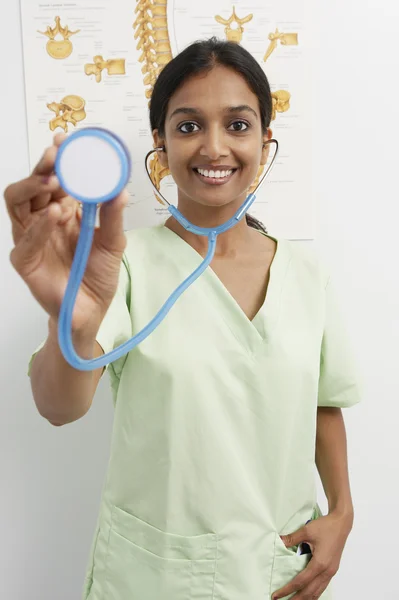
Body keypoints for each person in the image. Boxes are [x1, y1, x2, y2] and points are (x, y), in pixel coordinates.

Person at [4, 37, 360, 600]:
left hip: (283, 572)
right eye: (189, 126)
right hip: (156, 576)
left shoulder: (307, 274)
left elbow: (320, 403)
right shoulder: (119, 264)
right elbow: (58, 407)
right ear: (161, 146)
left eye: (238, 125)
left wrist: (343, 511)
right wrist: (68, 323)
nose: (214, 147)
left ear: (266, 143)